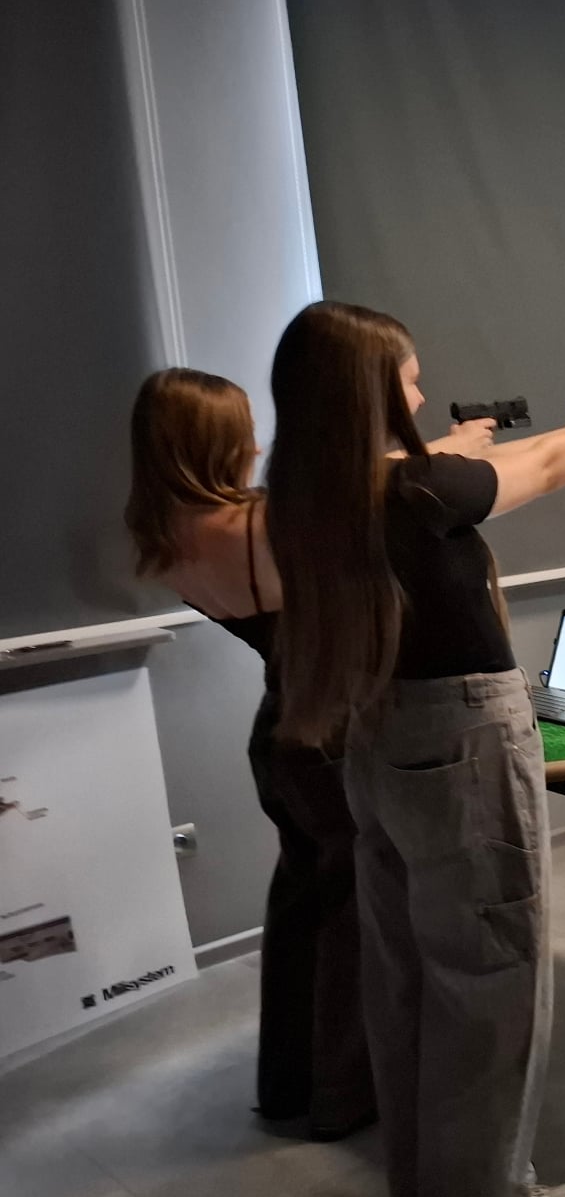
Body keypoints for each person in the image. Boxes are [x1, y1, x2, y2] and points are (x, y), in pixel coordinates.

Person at [264, 301, 565, 1197]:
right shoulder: (414, 491)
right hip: (461, 739)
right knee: (489, 977)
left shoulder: (310, 491)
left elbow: (468, 466)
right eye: (406, 381)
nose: (418, 396)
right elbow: (544, 467)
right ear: (368, 393)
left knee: (410, 976)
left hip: (381, 738)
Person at [124, 370, 386, 1138]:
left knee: (303, 909)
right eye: (242, 433)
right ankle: (344, 1097)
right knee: (353, 922)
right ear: (213, 444)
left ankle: (290, 1085)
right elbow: (359, 500)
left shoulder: (169, 537)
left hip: (281, 736)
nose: (258, 446)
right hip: (328, 737)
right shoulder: (258, 530)